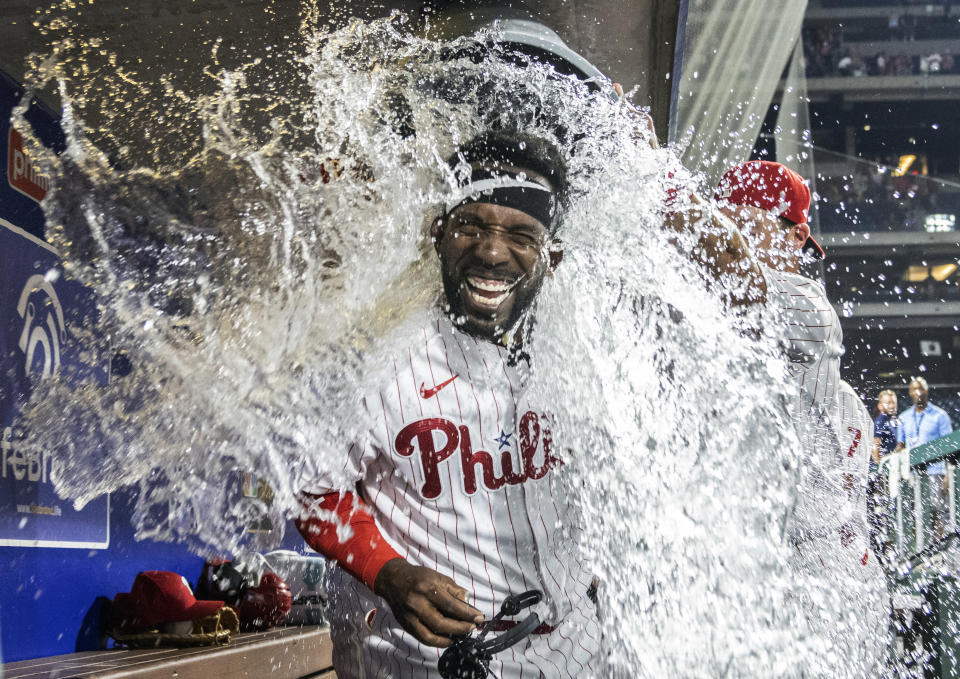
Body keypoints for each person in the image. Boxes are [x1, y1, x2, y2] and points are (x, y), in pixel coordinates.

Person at [895, 376, 954, 540]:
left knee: (938, 513)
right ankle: (923, 553)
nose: (918, 392)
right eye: (914, 389)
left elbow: (950, 448)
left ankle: (939, 552)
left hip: (935, 473)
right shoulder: (904, 417)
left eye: (921, 388)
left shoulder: (939, 416)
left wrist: (948, 476)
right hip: (913, 475)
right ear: (909, 393)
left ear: (927, 391)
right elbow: (900, 446)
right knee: (916, 514)